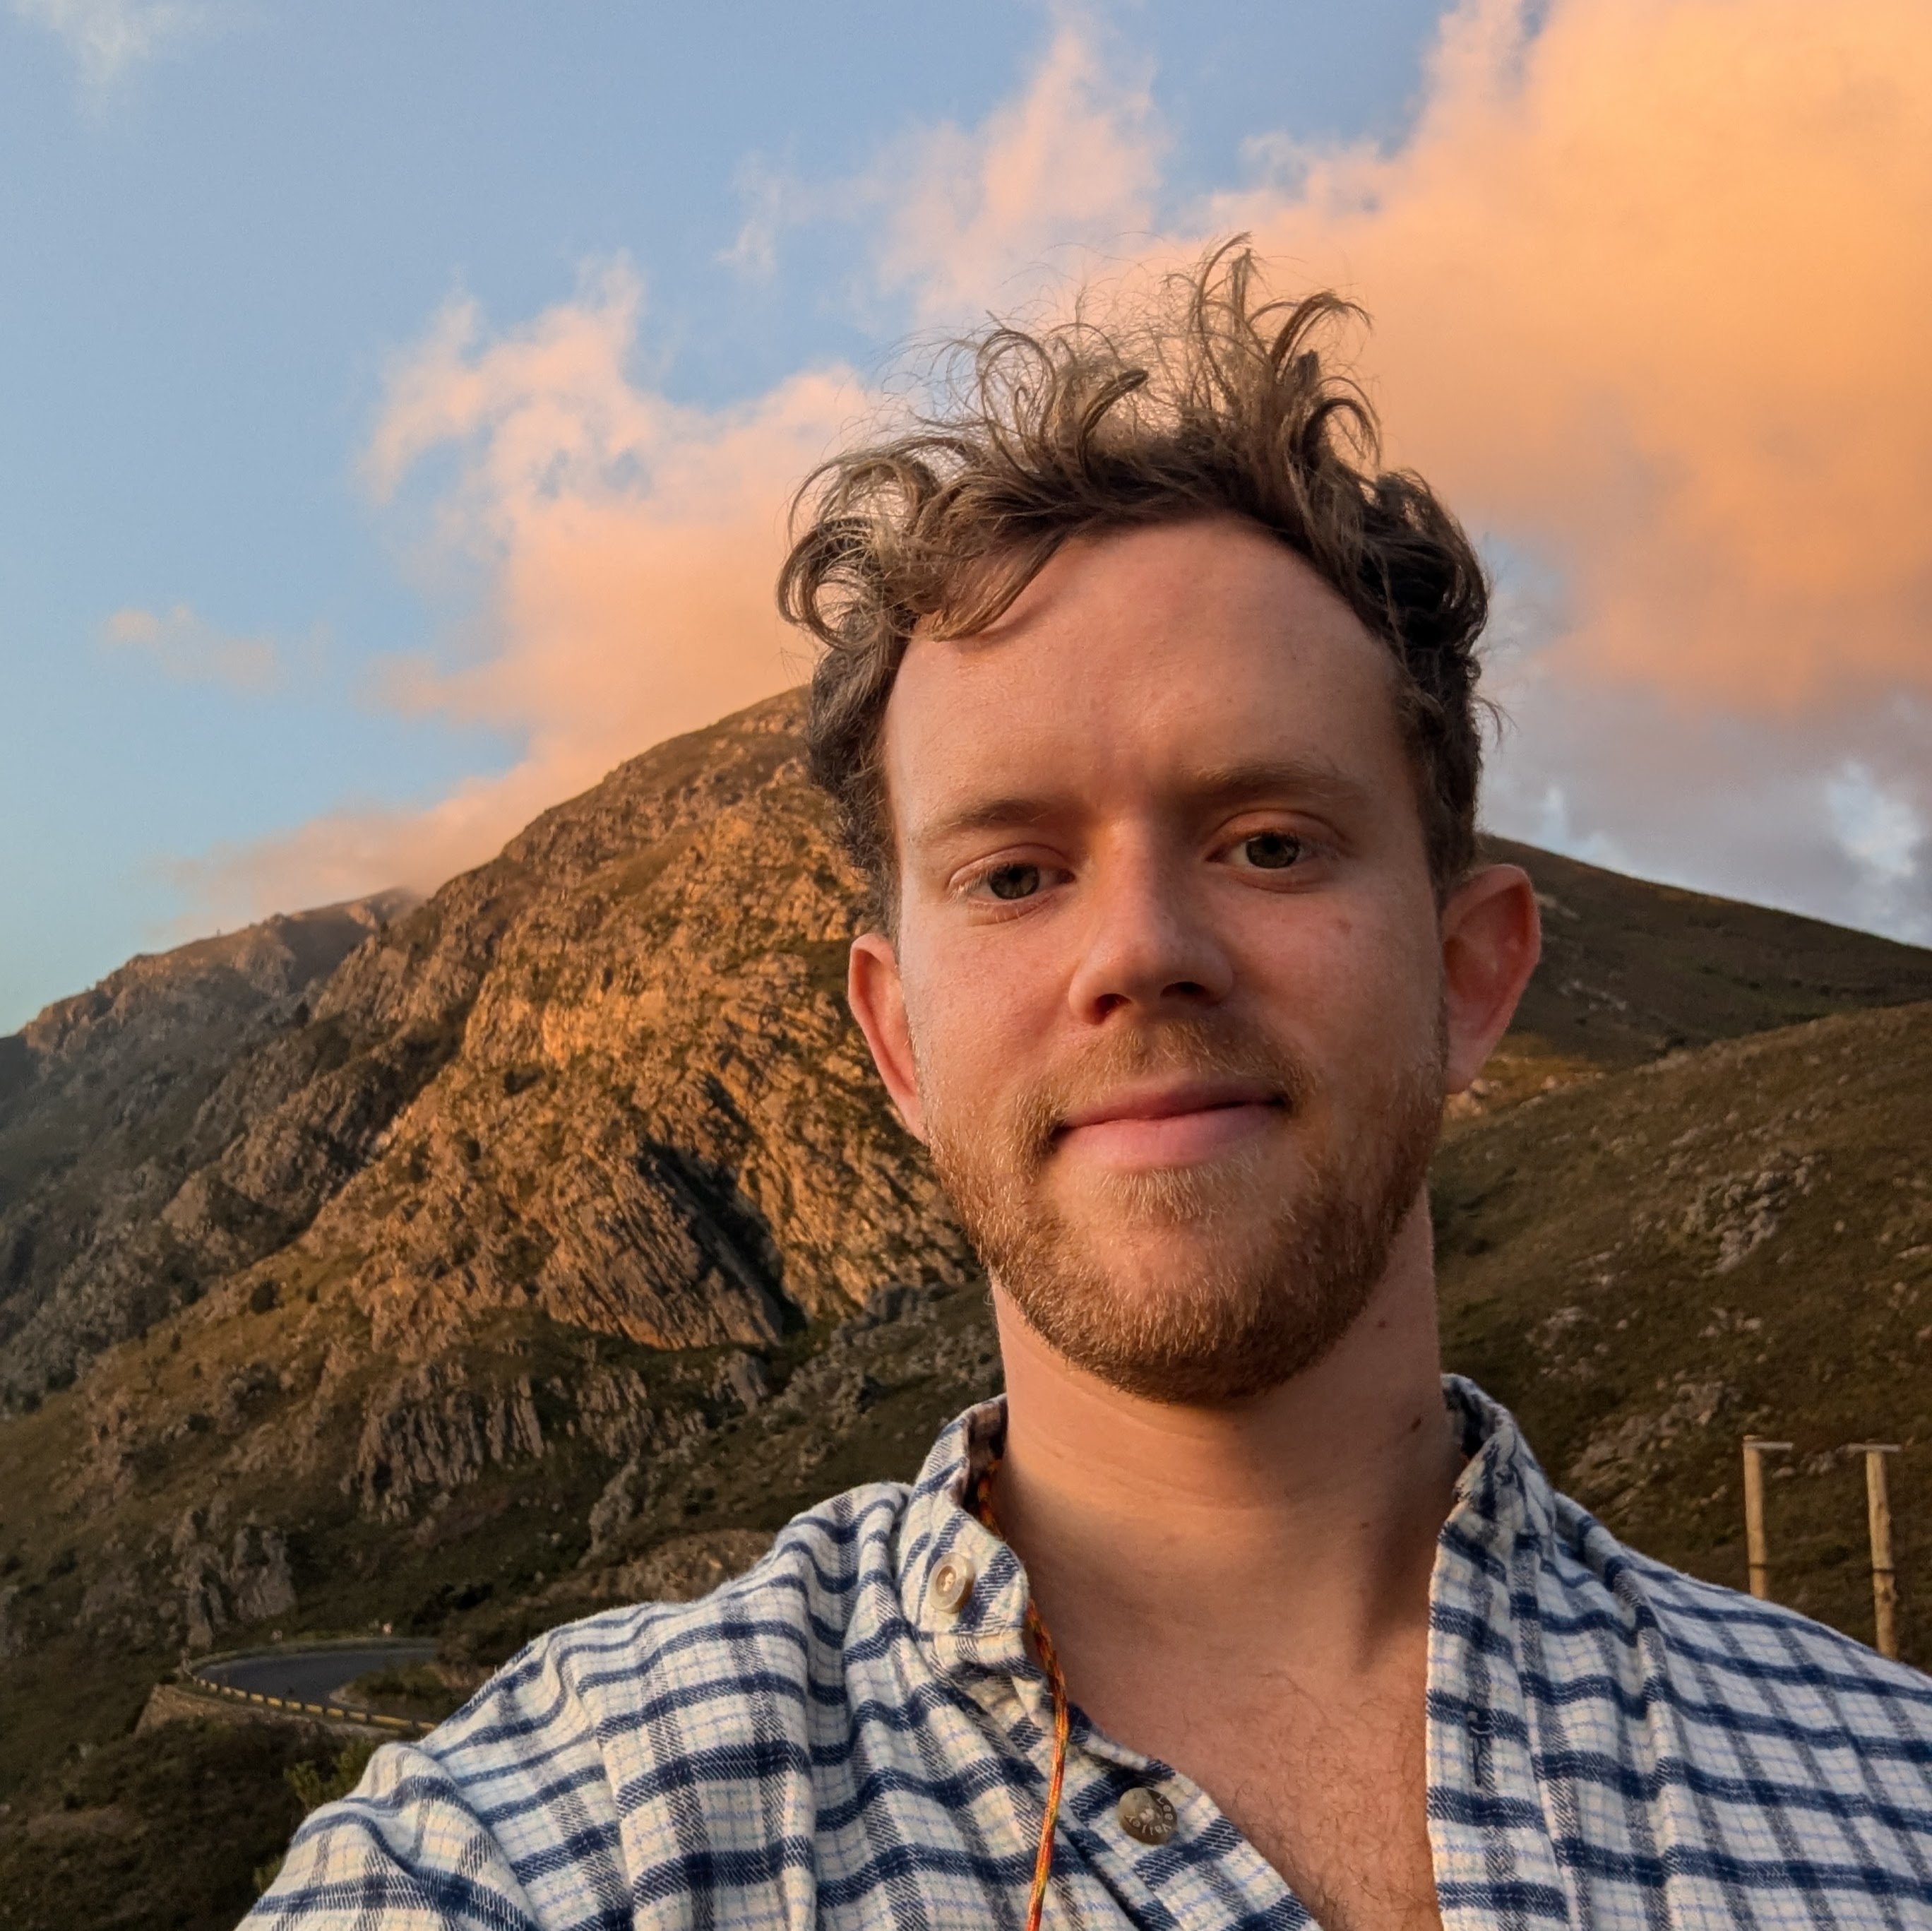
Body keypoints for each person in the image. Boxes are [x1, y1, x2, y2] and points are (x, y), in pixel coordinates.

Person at [247, 245, 1932, 1931]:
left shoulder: (1890, 1804)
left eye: (1269, 842)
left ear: (1469, 973)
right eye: (1014, 873)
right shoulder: (522, 1858)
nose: (1140, 949)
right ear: (898, 1039)